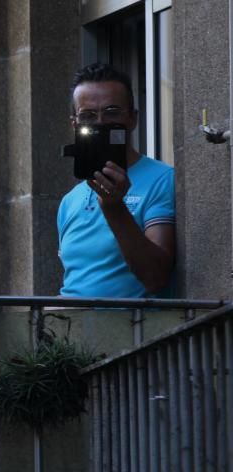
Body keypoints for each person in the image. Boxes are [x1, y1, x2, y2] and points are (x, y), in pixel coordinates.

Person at [58, 63, 175, 298]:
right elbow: (78, 280)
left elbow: (156, 277)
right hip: (69, 327)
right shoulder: (70, 200)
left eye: (112, 112)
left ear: (133, 119)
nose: (100, 123)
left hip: (132, 328)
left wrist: (114, 208)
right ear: (74, 124)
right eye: (88, 116)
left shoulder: (163, 179)